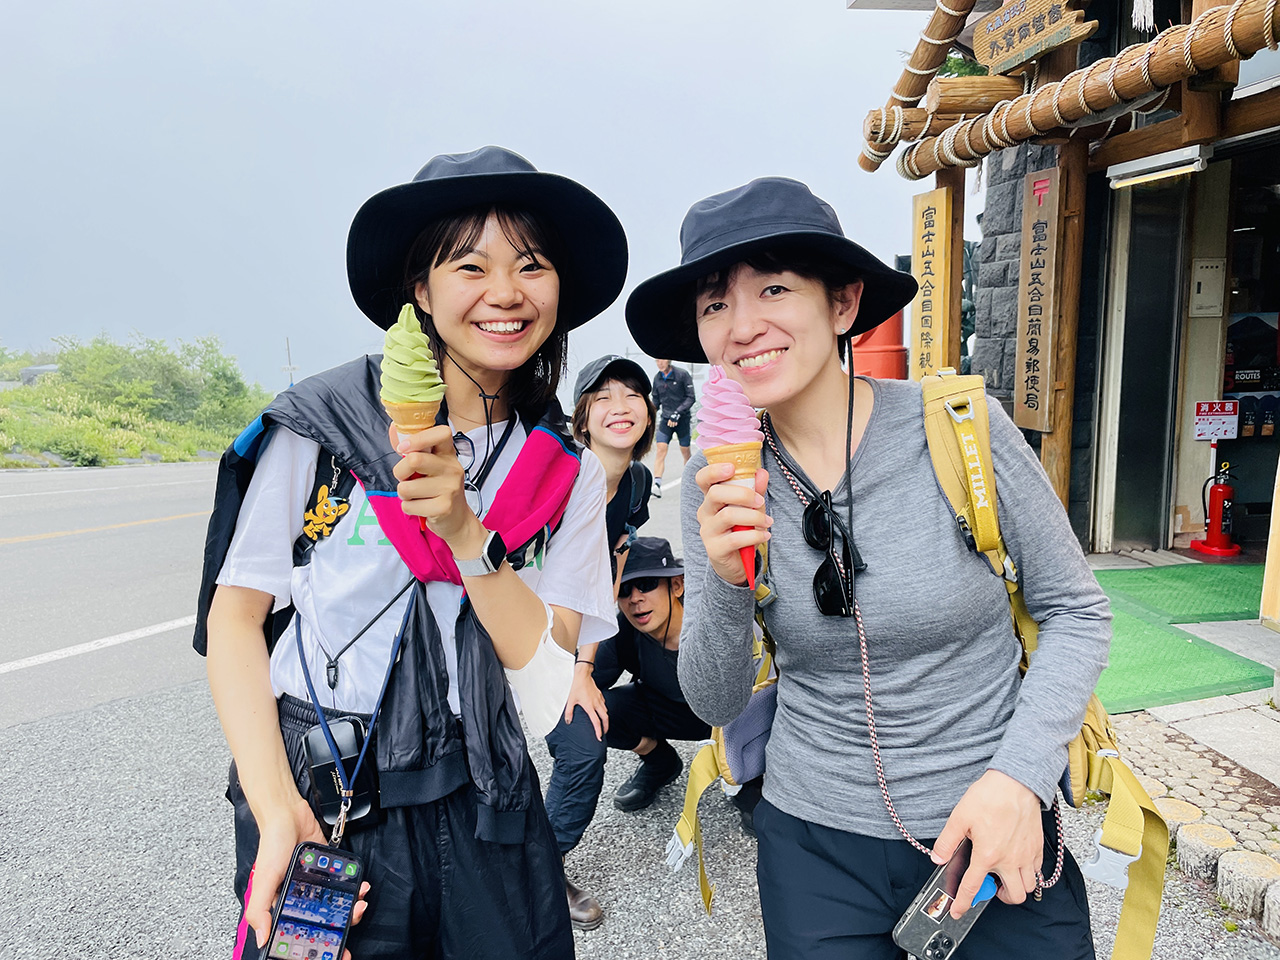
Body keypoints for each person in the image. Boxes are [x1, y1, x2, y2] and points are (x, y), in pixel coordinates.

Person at [625, 176, 1110, 959]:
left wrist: (1020, 779)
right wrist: (721, 574)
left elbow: (1077, 610)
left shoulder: (959, 429)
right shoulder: (723, 476)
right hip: (814, 846)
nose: (742, 326)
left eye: (773, 289)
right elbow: (714, 699)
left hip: (988, 828)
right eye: (715, 305)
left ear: (843, 303)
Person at [193, 146, 628, 960]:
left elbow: (547, 660)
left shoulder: (563, 472)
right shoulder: (322, 425)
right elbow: (235, 617)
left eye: (531, 265)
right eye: (471, 265)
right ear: (421, 291)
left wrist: (467, 537)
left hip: (485, 794)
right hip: (325, 793)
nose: (506, 292)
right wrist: (273, 795)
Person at [543, 538, 711, 929]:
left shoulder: (708, 623)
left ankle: (750, 780)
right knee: (603, 709)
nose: (636, 599)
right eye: (624, 590)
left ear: (677, 586)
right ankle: (660, 761)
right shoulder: (623, 631)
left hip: (726, 718)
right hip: (669, 713)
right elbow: (580, 691)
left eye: (648, 584)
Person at [547, 353, 656, 927]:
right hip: (531, 632)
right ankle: (540, 868)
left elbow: (609, 566)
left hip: (588, 626)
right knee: (583, 744)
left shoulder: (636, 481)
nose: (622, 406)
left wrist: (589, 661)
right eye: (605, 396)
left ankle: (658, 759)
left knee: (667, 660)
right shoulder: (559, 476)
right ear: (582, 418)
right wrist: (575, 669)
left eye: (633, 395)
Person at [650, 358, 695, 496]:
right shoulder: (657, 379)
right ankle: (657, 484)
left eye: (662, 360)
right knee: (660, 449)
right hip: (666, 419)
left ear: (668, 360)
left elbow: (690, 397)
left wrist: (677, 413)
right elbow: (656, 401)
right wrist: (649, 415)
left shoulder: (682, 374)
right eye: (657, 361)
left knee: (685, 451)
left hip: (682, 418)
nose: (660, 363)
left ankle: (690, 482)